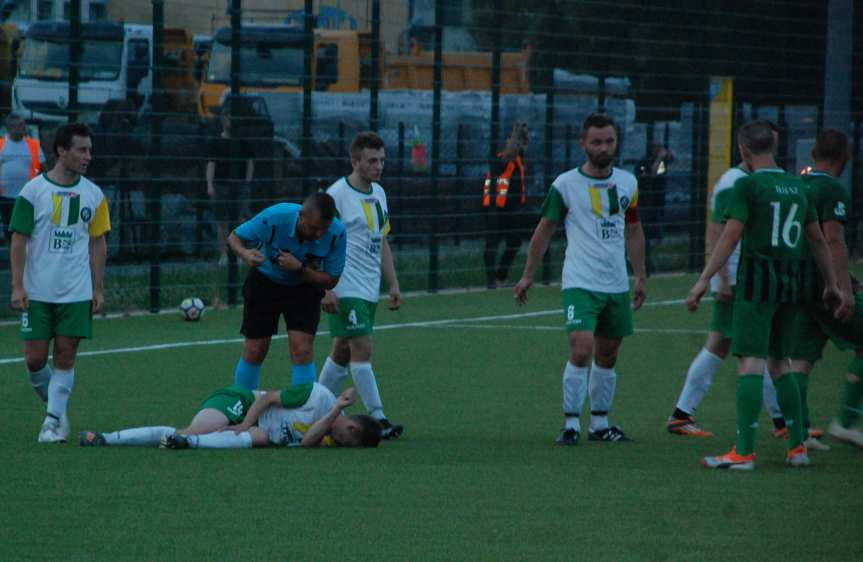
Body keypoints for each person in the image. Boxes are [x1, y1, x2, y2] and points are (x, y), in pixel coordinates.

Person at [686, 120, 849, 470]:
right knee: (780, 364)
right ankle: (797, 447)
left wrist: (704, 280)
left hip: (757, 286)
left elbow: (729, 236)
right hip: (790, 288)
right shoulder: (796, 184)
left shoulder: (748, 185)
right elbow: (818, 239)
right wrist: (832, 283)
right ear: (772, 148)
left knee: (751, 363)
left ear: (744, 150)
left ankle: (743, 452)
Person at [514, 112, 647, 445]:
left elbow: (633, 229)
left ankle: (599, 424)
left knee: (608, 354)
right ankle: (571, 422)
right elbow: (544, 231)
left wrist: (641, 275)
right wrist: (528, 274)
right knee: (581, 348)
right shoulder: (565, 185)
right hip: (580, 281)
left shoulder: (628, 183)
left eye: (609, 141)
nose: (604, 147)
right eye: (597, 141)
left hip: (615, 282)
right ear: (583, 144)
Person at [8, 122, 110, 443]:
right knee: (35, 359)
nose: (88, 156)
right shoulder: (32, 192)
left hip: (76, 291)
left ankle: (51, 422)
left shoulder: (94, 195)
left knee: (65, 355)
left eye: (90, 150)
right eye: (81, 149)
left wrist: (97, 287)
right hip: (37, 291)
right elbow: (18, 240)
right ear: (61, 151)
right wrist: (17, 285)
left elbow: (98, 242)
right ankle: (58, 408)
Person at [666, 162, 784, 438]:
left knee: (724, 345)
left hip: (743, 278)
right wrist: (721, 277)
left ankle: (681, 415)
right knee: (753, 348)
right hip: (737, 279)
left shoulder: (749, 179)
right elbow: (717, 228)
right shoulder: (734, 181)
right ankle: (782, 421)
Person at [317, 132, 404, 439]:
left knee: (342, 351)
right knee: (362, 348)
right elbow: (319, 241)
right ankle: (379, 418)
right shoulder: (337, 195)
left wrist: (392, 283)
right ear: (355, 162)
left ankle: (312, 407)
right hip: (345, 284)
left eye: (382, 160)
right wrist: (325, 288)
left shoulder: (379, 193)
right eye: (372, 161)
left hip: (368, 287)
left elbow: (382, 241)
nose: (378, 166)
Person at [786, 129, 862, 451]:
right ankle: (845, 421)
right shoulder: (832, 189)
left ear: (814, 154)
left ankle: (800, 434)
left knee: (801, 359)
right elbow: (832, 240)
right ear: (843, 158)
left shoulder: (796, 184)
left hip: (795, 283)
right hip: (821, 286)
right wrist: (844, 289)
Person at [227, 192, 346, 391]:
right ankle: (242, 405)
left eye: (323, 229)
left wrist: (299, 268)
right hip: (264, 282)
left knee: (302, 349)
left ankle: (304, 414)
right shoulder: (275, 218)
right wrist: (245, 253)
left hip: (304, 285)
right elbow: (234, 237)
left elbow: (331, 280)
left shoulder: (337, 233)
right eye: (314, 228)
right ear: (301, 216)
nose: (319, 235)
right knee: (255, 349)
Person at [79, 385, 382, 449]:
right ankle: (106, 438)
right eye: (347, 442)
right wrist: (247, 422)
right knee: (191, 429)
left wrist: (335, 412)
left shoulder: (327, 431)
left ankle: (190, 444)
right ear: (352, 428)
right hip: (242, 401)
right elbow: (267, 398)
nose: (341, 445)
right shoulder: (317, 395)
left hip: (263, 429)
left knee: (262, 440)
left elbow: (306, 444)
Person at [483, 121, 530, 288]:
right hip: (495, 208)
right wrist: (515, 131)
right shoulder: (500, 159)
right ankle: (491, 281)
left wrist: (522, 133)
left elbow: (524, 144)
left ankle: (500, 277)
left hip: (511, 209)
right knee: (492, 242)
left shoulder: (519, 159)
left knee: (514, 242)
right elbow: (509, 152)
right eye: (513, 141)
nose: (517, 145)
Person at [207, 106, 254, 265]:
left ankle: (240, 253)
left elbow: (249, 162)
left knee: (241, 218)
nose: (229, 121)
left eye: (231, 117)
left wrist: (247, 181)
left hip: (239, 185)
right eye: (226, 117)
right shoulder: (216, 142)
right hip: (220, 185)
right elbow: (211, 164)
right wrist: (210, 185)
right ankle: (224, 255)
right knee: (222, 220)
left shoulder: (242, 142)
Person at [0, 114, 45, 242]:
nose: (22, 128)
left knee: (27, 229)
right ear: (9, 128)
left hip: (28, 196)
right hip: (5, 196)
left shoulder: (33, 145)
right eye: (18, 125)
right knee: (9, 229)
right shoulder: (1, 144)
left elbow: (42, 167)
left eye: (22, 124)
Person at [635, 143, 673, 275]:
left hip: (656, 205)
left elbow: (659, 172)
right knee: (640, 236)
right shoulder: (642, 163)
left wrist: (663, 158)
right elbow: (651, 175)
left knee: (654, 239)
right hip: (643, 205)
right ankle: (639, 265)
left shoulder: (661, 163)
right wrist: (659, 158)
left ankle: (650, 266)